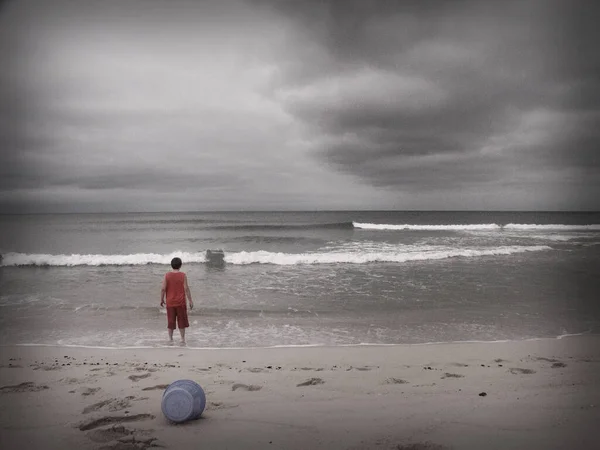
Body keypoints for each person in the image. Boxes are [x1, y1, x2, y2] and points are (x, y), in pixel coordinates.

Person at [160, 257, 193, 344]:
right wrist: (190, 300)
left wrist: (161, 299)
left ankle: (170, 339)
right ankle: (182, 339)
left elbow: (163, 288)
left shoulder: (167, 275)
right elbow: (186, 288)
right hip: (180, 302)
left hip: (170, 302)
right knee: (181, 321)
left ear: (171, 265)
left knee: (170, 321)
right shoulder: (183, 275)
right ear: (180, 265)